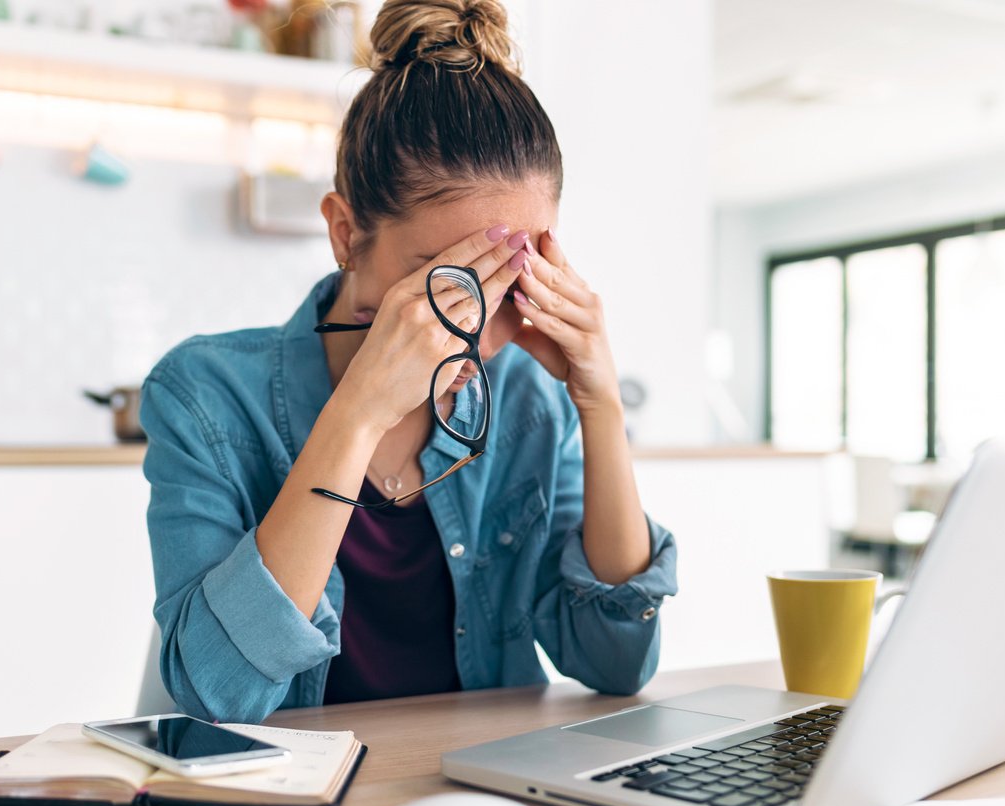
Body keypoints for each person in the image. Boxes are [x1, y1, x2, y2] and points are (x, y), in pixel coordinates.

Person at [141, 0, 678, 724]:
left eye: (509, 276)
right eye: (451, 278)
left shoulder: (525, 396)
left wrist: (600, 404)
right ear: (345, 234)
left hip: (478, 795)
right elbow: (218, 692)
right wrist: (359, 412)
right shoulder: (204, 396)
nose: (478, 329)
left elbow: (617, 664)